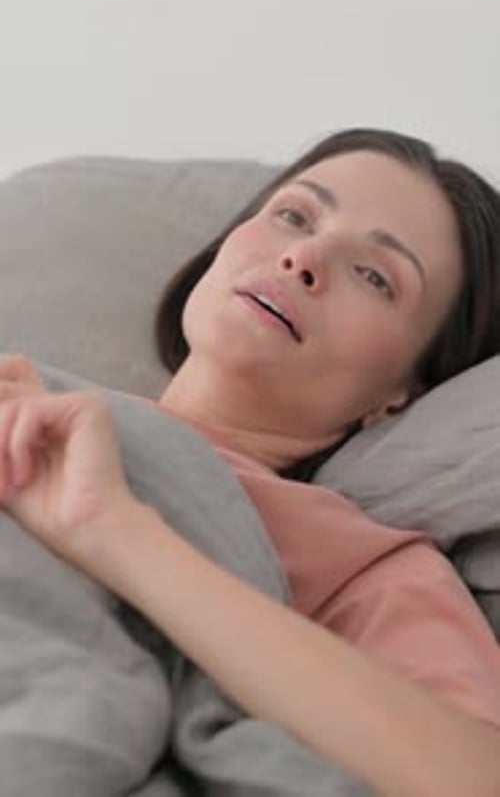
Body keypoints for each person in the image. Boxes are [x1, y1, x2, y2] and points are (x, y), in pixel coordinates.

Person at [1, 127, 500, 797]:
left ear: (403, 392)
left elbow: (476, 778)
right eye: (294, 215)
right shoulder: (34, 394)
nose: (305, 256)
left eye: (375, 276)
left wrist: (118, 532)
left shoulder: (365, 564)